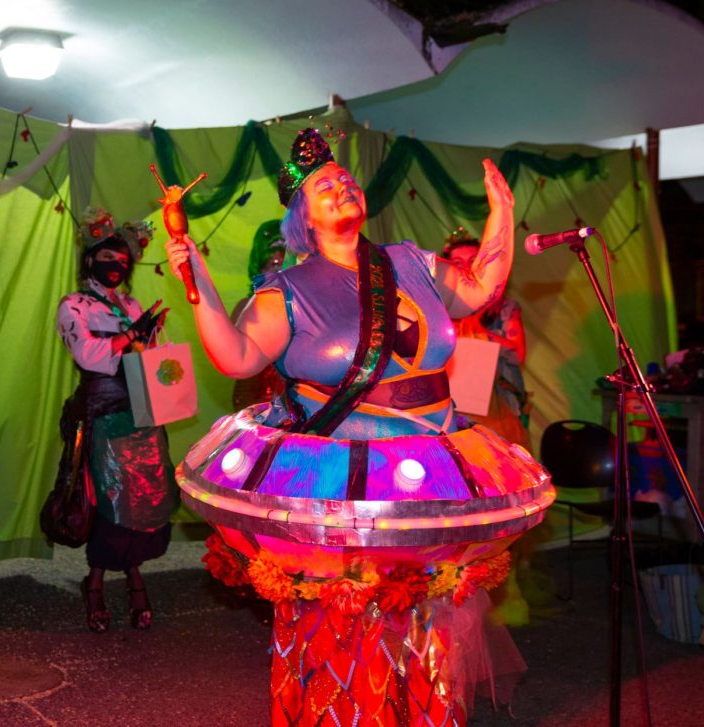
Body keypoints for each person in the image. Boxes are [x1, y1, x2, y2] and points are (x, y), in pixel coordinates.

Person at [165, 129, 538, 723]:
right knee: (347, 632)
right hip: (343, 486)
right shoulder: (286, 291)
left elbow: (481, 289)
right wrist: (200, 288)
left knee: (425, 625)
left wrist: (502, 214)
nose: (341, 184)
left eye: (344, 177)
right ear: (302, 218)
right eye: (322, 185)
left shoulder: (410, 263)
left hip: (430, 470)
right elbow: (236, 358)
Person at [55, 209, 179, 632]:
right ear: (90, 259)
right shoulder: (74, 304)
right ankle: (94, 583)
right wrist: (129, 336)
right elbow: (87, 356)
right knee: (109, 497)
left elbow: (145, 358)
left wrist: (149, 336)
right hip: (102, 413)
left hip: (141, 409)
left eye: (124, 261)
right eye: (108, 257)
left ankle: (134, 573)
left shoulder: (130, 303)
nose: (117, 265)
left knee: (146, 492)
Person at [444, 226, 531, 451]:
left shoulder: (504, 309)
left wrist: (479, 331)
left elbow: (518, 354)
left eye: (473, 259)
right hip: (454, 408)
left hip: (499, 406)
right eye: (458, 262)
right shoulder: (440, 310)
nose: (466, 267)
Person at [229, 220, 287, 410]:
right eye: (274, 264)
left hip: (295, 405)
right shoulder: (246, 308)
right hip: (256, 405)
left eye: (285, 264)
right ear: (260, 268)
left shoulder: (303, 307)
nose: (281, 272)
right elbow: (233, 362)